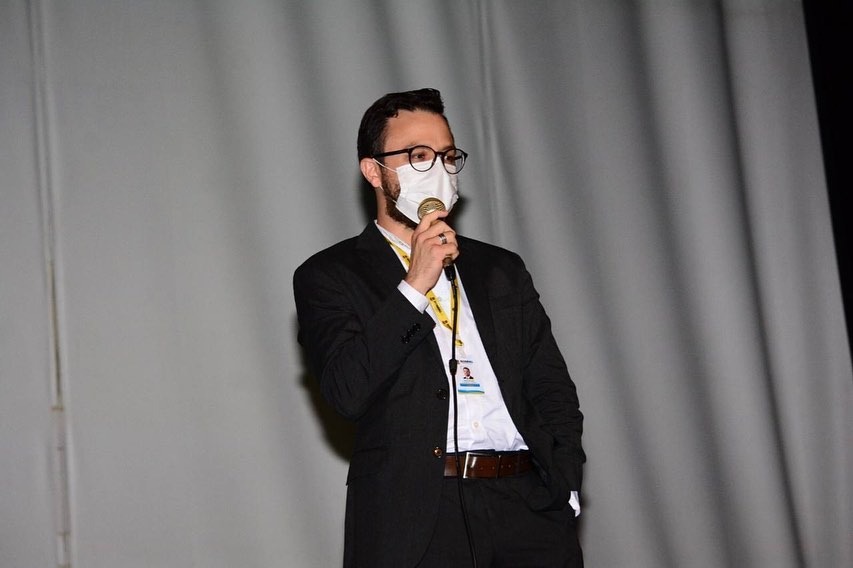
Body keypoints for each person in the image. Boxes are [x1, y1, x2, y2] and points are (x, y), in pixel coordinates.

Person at [293, 88, 585, 567]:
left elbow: (551, 385)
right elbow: (347, 391)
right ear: (374, 171)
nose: (439, 171)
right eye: (418, 156)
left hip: (527, 506)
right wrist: (414, 285)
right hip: (418, 516)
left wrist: (564, 484)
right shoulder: (330, 275)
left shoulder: (500, 269)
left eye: (447, 157)